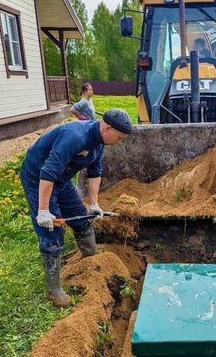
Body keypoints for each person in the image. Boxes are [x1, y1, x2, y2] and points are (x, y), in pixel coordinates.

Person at [20, 109, 132, 308]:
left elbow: (94, 172)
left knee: (82, 218)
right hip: (38, 178)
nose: (120, 141)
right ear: (107, 128)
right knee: (52, 232)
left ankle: (91, 259)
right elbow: (47, 172)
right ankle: (54, 290)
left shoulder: (99, 143)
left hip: (61, 180)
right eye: (120, 137)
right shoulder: (75, 136)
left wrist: (95, 204)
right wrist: (44, 210)